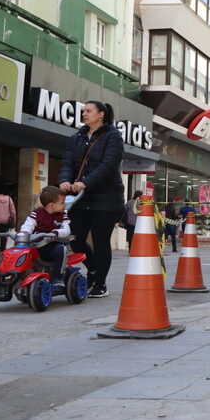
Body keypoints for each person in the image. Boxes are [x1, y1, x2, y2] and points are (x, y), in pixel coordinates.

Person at [58, 101, 124, 298]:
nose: (84, 114)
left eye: (88, 111)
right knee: (75, 238)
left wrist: (85, 182)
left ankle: (100, 284)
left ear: (101, 114)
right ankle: (93, 270)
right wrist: (64, 181)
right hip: (80, 198)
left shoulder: (113, 136)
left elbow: (108, 165)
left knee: (101, 241)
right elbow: (67, 162)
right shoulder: (76, 137)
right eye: (83, 111)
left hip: (107, 198)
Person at [19, 186, 71, 292]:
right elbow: (28, 225)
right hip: (37, 246)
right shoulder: (37, 213)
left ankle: (58, 278)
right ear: (52, 205)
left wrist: (55, 233)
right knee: (21, 251)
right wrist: (24, 233)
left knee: (61, 249)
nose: (64, 205)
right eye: (62, 202)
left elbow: (66, 230)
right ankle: (18, 276)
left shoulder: (63, 215)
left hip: (52, 247)